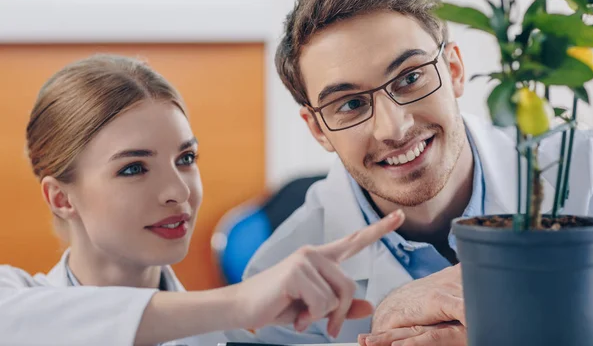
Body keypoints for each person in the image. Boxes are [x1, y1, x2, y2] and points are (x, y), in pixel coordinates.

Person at [232, 0, 593, 345]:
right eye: (351, 104)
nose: (394, 128)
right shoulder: (276, 286)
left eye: (410, 78)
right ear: (318, 129)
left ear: (454, 69)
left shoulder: (588, 175)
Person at [0, 54, 406, 346]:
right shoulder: (12, 297)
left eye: (186, 159)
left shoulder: (217, 336)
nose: (178, 191)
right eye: (133, 168)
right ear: (61, 198)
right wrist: (239, 303)